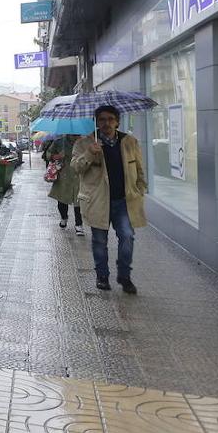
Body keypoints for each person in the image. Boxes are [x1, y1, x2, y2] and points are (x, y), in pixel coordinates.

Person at [70, 105, 148, 294]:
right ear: (96, 122)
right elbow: (75, 167)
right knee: (99, 241)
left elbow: (138, 168)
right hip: (98, 201)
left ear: (117, 121)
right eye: (102, 119)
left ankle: (124, 276)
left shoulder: (129, 142)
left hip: (124, 201)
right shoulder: (85, 143)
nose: (106, 123)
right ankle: (102, 276)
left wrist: (140, 188)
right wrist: (90, 153)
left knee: (127, 236)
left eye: (110, 119)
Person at [44, 134, 83, 236]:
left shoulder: (83, 141)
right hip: (64, 174)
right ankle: (64, 218)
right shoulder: (59, 141)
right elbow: (47, 154)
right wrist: (55, 156)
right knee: (62, 200)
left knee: (79, 201)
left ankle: (79, 224)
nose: (75, 135)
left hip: (78, 174)